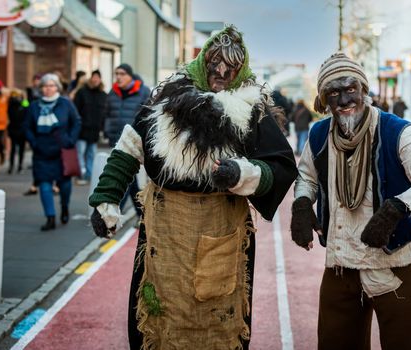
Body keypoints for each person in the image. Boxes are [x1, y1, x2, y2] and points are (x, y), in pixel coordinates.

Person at [89, 25, 297, 349]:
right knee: (160, 312)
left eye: (230, 66)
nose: (221, 71)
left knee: (216, 318)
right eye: (215, 62)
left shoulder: (250, 109)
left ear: (241, 69)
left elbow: (280, 166)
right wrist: (106, 200)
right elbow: (130, 147)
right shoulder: (165, 98)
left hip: (222, 227)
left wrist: (241, 173)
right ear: (203, 61)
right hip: (165, 229)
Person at [291, 52, 411, 350]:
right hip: (341, 262)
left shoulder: (396, 131)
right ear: (324, 101)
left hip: (393, 262)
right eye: (334, 93)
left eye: (350, 89)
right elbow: (307, 176)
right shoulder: (319, 134)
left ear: (364, 90)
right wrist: (303, 204)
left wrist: (397, 209)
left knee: (404, 344)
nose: (344, 100)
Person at [24, 73, 81, 231]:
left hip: (62, 151)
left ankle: (64, 207)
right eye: (45, 86)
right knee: (44, 185)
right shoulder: (34, 106)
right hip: (41, 151)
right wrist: (34, 142)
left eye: (51, 85)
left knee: (64, 185)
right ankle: (50, 217)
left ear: (57, 87)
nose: (48, 89)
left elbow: (76, 122)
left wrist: (70, 140)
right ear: (40, 88)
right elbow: (27, 127)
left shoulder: (66, 104)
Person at [104, 63, 151, 217]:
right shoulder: (113, 92)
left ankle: (123, 213)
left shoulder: (143, 92)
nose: (118, 77)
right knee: (126, 179)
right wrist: (107, 130)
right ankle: (139, 215)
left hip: (137, 144)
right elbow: (108, 114)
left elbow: (149, 117)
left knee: (131, 180)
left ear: (130, 75)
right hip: (117, 143)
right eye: (116, 73)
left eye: (122, 73)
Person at [73, 69, 107, 184]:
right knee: (80, 153)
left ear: (100, 79)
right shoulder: (82, 92)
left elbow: (105, 113)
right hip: (82, 129)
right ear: (91, 78)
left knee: (91, 153)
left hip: (95, 130)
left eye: (98, 77)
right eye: (94, 77)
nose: (95, 79)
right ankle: (81, 175)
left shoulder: (103, 95)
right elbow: (75, 110)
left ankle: (89, 175)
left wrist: (102, 128)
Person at [7, 89, 29, 174]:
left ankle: (14, 166)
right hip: (18, 129)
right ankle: (17, 166)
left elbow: (27, 108)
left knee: (15, 149)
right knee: (19, 149)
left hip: (17, 129)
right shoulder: (14, 104)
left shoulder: (11, 103)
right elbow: (27, 108)